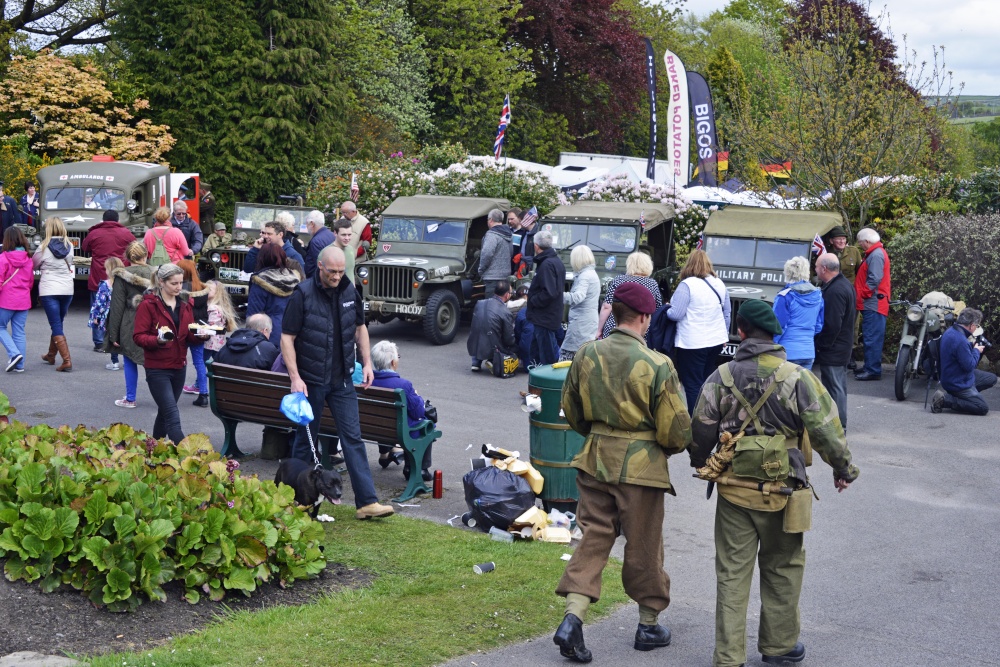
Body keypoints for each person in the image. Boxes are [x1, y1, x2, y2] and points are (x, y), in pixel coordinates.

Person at [689, 299, 859, 667]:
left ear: (742, 331)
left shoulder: (721, 377)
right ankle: (779, 647)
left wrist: (702, 463)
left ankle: (728, 657)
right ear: (775, 333)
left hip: (734, 490)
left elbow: (700, 428)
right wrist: (843, 469)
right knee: (783, 567)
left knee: (732, 573)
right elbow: (827, 429)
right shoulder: (798, 377)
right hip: (786, 488)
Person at [553, 282, 692, 663]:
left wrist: (601, 435)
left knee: (594, 537)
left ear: (614, 313)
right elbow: (678, 431)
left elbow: (572, 409)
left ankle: (573, 617)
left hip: (595, 459)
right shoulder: (658, 364)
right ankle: (648, 624)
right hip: (641, 468)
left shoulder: (586, 353)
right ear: (646, 318)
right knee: (644, 544)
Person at [281, 245, 393, 520]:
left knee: (353, 438)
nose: (337, 276)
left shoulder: (348, 290)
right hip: (311, 381)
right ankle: (295, 500)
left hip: (342, 379)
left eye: (342, 271)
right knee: (305, 442)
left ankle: (367, 503)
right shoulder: (303, 294)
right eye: (332, 271)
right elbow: (287, 338)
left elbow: (360, 328)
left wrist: (367, 362)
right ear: (320, 266)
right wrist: (295, 378)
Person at [133, 263, 208, 443]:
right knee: (172, 417)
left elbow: (188, 335)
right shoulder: (148, 305)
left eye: (181, 283)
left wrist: (201, 336)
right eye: (174, 283)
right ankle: (187, 455)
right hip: (157, 369)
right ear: (161, 282)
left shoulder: (184, 305)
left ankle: (153, 449)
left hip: (179, 366)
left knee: (164, 413)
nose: (179, 287)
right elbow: (138, 336)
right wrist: (157, 340)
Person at [667, 249, 731, 412]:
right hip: (715, 341)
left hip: (692, 342)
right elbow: (727, 313)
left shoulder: (687, 285)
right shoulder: (719, 284)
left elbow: (676, 314)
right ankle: (709, 416)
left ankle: (696, 422)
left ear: (689, 265)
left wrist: (666, 309)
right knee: (707, 381)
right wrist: (724, 335)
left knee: (692, 384)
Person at [371, 340, 433, 481]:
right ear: (393, 363)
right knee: (428, 424)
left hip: (374, 428)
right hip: (400, 431)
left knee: (384, 416)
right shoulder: (403, 385)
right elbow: (418, 413)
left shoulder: (367, 380)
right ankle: (420, 469)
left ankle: (386, 452)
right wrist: (417, 396)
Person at [105, 241, 153, 408]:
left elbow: (116, 307)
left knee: (130, 360)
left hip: (130, 322)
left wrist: (113, 334)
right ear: (146, 255)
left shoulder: (122, 276)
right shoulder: (156, 273)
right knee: (153, 362)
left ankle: (130, 398)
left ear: (126, 257)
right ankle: (163, 398)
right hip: (154, 322)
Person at [82, 209, 136, 351]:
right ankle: (117, 339)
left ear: (103, 220)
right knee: (120, 308)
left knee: (99, 308)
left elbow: (84, 247)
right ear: (117, 220)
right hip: (120, 276)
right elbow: (134, 248)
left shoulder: (94, 233)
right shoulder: (126, 233)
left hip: (99, 275)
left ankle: (99, 342)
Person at [814, 253, 856, 430]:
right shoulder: (842, 285)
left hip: (834, 348)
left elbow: (832, 323)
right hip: (841, 345)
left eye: (816, 267)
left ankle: (839, 426)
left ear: (824, 268)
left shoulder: (836, 290)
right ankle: (837, 423)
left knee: (835, 387)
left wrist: (822, 345)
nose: (815, 271)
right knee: (836, 385)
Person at [932, 308, 998, 416]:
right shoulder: (960, 340)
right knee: (982, 408)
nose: (976, 328)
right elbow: (970, 365)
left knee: (992, 378)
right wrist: (976, 350)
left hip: (953, 374)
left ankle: (966, 398)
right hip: (957, 382)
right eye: (977, 326)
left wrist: (971, 349)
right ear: (971, 325)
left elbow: (960, 356)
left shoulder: (951, 331)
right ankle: (945, 399)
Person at [32, 217, 76, 372]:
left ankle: (66, 360)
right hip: (67, 289)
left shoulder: (43, 247)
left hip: (49, 289)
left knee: (56, 324)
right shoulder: (69, 245)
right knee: (58, 323)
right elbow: (70, 263)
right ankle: (51, 355)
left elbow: (34, 264)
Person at [772, 256, 824, 370]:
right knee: (803, 387)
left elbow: (778, 327)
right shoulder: (818, 295)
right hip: (808, 352)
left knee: (784, 387)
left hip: (786, 352)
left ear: (788, 273)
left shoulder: (785, 296)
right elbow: (819, 326)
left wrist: (771, 345)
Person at [598, 252, 662, 340]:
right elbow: (658, 309)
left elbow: (607, 307)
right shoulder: (652, 284)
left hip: (615, 328)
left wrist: (599, 330)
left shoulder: (618, 280)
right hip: (640, 331)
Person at [854, 228, 890, 381]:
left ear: (867, 242)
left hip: (874, 303)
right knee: (870, 335)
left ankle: (873, 370)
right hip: (874, 302)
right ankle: (870, 366)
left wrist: (863, 294)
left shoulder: (875, 255)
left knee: (872, 336)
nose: (860, 245)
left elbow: (874, 279)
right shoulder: (875, 253)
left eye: (861, 243)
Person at [246, 243, 300, 346]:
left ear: (262, 258)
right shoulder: (295, 278)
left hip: (268, 335)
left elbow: (253, 315)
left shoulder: (260, 281)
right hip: (292, 333)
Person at [526, 230, 565, 366]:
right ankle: (537, 385)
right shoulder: (555, 262)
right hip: (548, 317)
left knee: (547, 359)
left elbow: (549, 292)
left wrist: (533, 300)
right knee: (537, 355)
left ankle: (548, 386)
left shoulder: (547, 264)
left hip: (545, 318)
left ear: (536, 246)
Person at [0, 227, 34, 373]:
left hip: (6, 300)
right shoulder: (28, 259)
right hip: (23, 299)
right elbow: (30, 281)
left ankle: (15, 354)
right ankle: (19, 365)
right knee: (19, 332)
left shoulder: (3, 258)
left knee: (0, 327)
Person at [178, 260, 211, 407]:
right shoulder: (202, 288)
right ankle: (203, 394)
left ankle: (173, 392)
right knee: (199, 362)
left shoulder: (180, 288)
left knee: (179, 359)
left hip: (183, 328)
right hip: (200, 328)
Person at [560, 245, 600, 361]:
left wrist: (558, 295)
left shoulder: (585, 276)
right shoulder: (592, 273)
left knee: (567, 355)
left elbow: (578, 297)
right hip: (588, 321)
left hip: (581, 323)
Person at [468, 281, 517, 372]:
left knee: (481, 329)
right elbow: (509, 338)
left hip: (473, 343)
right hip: (493, 346)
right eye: (510, 293)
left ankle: (476, 362)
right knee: (510, 341)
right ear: (507, 295)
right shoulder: (505, 311)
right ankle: (492, 359)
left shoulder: (479, 303)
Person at [90, 257, 125, 371]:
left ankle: (114, 362)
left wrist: (97, 317)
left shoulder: (105, 284)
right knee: (123, 337)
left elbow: (100, 302)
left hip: (109, 315)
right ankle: (127, 361)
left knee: (111, 337)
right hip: (123, 314)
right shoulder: (125, 284)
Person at [214, 313, 279, 370]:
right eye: (270, 332)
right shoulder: (269, 349)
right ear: (265, 330)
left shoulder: (227, 346)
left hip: (225, 384)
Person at [203, 279, 239, 362]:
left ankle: (204, 375)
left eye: (209, 289)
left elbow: (211, 324)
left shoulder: (213, 308)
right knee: (217, 361)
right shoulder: (219, 307)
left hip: (210, 342)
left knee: (202, 361)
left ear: (217, 293)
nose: (206, 291)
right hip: (218, 342)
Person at [478, 209, 512, 295]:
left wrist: (481, 270)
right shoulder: (509, 234)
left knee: (491, 306)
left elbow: (486, 254)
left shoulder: (491, 235)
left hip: (492, 278)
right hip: (505, 277)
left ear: (491, 220)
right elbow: (511, 252)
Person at [303, 210, 334, 278]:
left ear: (312, 224)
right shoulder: (331, 235)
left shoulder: (316, 241)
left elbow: (319, 265)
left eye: (307, 224)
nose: (306, 227)